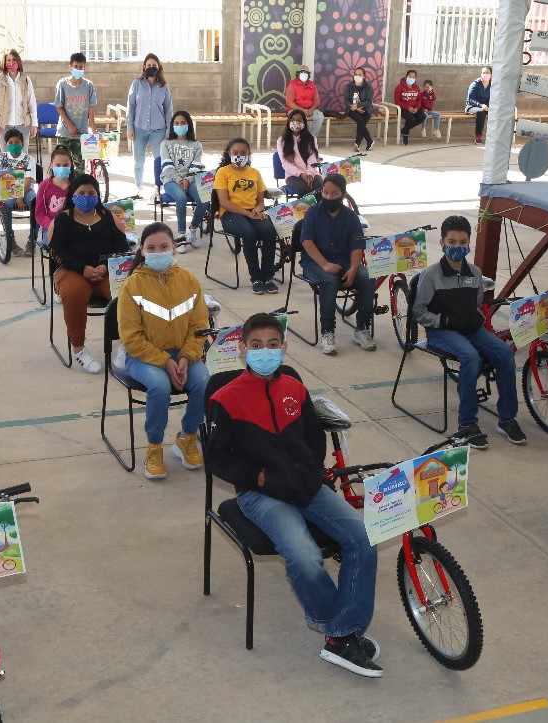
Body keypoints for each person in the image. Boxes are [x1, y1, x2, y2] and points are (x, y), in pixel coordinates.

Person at [205, 312, 382, 678]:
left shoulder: (295, 389)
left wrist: (311, 472)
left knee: (364, 538)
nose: (265, 351)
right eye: (256, 345)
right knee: (304, 556)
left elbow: (314, 438)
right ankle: (340, 634)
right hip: (260, 494)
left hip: (307, 486)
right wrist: (258, 476)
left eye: (273, 345)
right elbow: (217, 459)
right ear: (243, 351)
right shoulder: (226, 398)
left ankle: (340, 632)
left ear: (283, 348)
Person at [413, 215, 526, 448]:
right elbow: (418, 312)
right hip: (441, 332)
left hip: (471, 329)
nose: (457, 247)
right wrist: (442, 320)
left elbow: (476, 304)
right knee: (470, 357)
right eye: (452, 242)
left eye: (463, 242)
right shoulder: (431, 275)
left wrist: (476, 319)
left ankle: (507, 418)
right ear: (442, 243)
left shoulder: (474, 273)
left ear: (468, 243)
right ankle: (466, 424)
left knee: (505, 353)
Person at [118, 222, 210, 480]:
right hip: (142, 357)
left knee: (204, 381)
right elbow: (131, 338)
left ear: (174, 248)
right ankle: (154, 445)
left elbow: (199, 327)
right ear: (142, 251)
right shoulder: (132, 286)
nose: (158, 252)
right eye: (151, 248)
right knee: (159, 386)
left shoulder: (189, 281)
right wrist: (165, 362)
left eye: (163, 246)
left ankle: (187, 436)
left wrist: (185, 357)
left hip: (183, 354)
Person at [48, 173, 131, 374]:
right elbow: (56, 251)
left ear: (98, 195)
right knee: (74, 293)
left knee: (126, 292)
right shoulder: (63, 219)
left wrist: (104, 265)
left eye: (91, 193)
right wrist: (82, 269)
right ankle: (79, 349)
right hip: (72, 270)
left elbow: (122, 247)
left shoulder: (108, 217)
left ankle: (127, 344)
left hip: (107, 270)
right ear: (72, 194)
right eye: (81, 192)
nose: (86, 196)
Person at [298, 172, 374, 354]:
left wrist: (354, 268)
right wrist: (325, 264)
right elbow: (307, 242)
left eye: (334, 194)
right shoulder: (313, 212)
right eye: (325, 192)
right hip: (315, 263)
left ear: (343, 195)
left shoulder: (350, 216)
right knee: (330, 281)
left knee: (367, 277)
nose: (329, 197)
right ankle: (327, 331)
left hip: (343, 261)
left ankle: (362, 328)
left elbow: (357, 245)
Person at [214, 137, 279, 294]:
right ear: (229, 153)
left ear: (248, 154)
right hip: (230, 213)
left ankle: (268, 277)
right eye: (235, 153)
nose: (239, 156)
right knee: (248, 233)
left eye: (243, 153)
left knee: (269, 231)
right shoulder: (223, 172)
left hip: (252, 212)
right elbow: (224, 202)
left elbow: (260, 201)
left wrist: (257, 210)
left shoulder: (254, 173)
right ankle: (256, 278)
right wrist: (248, 214)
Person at [159, 110, 208, 250]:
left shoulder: (196, 145)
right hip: (170, 179)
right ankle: (181, 235)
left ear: (189, 124)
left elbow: (196, 166)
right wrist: (179, 180)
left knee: (204, 198)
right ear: (172, 126)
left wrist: (187, 179)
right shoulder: (165, 143)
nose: (179, 126)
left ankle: (192, 230)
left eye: (183, 123)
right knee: (181, 197)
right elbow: (166, 166)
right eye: (176, 123)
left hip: (191, 179)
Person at [127, 53, 173, 193]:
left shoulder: (164, 87)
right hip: (139, 129)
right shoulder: (136, 84)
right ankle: (139, 187)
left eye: (154, 65)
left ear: (158, 67)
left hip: (158, 130)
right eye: (149, 65)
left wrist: (168, 130)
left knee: (159, 160)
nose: (151, 67)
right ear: (144, 67)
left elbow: (168, 110)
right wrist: (130, 128)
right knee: (138, 161)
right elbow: (131, 107)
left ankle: (158, 187)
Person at [0, 127, 37, 255]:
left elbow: (28, 180)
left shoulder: (29, 159)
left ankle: (32, 241)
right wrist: (15, 196)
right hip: (6, 189)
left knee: (36, 203)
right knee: (5, 206)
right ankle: (11, 241)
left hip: (26, 190)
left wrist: (19, 196)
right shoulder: (0, 157)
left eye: (17, 142)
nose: (14, 145)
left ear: (22, 144)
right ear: (5, 144)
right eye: (10, 142)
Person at [54, 52, 97, 176]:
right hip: (65, 133)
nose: (78, 69)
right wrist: (70, 125)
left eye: (81, 67)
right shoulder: (62, 84)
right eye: (76, 66)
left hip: (81, 134)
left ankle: (77, 188)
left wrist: (94, 130)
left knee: (79, 169)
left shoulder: (89, 86)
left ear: (84, 68)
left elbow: (91, 110)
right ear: (70, 67)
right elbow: (59, 106)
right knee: (62, 167)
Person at [0, 48, 38, 146]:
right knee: (6, 154)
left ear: (18, 61)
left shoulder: (26, 79)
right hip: (4, 126)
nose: (11, 63)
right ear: (4, 62)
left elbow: (32, 103)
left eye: (14, 60)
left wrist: (34, 124)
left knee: (22, 154)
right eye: (8, 60)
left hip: (23, 125)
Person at [34, 144, 74, 250]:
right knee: (58, 245)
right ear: (51, 165)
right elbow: (39, 214)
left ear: (71, 165)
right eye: (58, 165)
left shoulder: (76, 185)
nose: (62, 168)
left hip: (72, 226)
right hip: (51, 227)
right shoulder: (44, 186)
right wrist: (52, 225)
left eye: (66, 165)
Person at [277, 109, 324, 196]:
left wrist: (309, 174)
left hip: (311, 173)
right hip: (293, 175)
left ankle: (319, 205)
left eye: (299, 120)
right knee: (304, 189)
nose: (295, 123)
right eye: (292, 120)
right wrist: (301, 174)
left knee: (319, 187)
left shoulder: (311, 138)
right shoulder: (282, 140)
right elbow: (286, 164)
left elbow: (312, 159)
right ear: (288, 122)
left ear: (304, 123)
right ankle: (305, 206)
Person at [285, 64, 324, 138]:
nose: (303, 74)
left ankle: (311, 138)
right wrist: (302, 110)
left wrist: (311, 110)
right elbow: (290, 103)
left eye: (305, 73)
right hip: (295, 109)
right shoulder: (292, 85)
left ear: (308, 75)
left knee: (320, 116)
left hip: (310, 109)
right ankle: (300, 139)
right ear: (298, 74)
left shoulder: (312, 85)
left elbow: (316, 101)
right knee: (300, 117)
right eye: (301, 72)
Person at [345, 67, 376, 153]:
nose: (357, 76)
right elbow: (346, 100)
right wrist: (354, 107)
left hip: (365, 109)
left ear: (364, 76)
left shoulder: (368, 87)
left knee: (361, 122)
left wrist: (358, 106)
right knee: (361, 121)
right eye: (356, 74)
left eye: (360, 74)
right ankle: (369, 141)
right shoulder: (349, 86)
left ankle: (357, 143)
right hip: (352, 109)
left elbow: (369, 101)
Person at [393, 69, 425, 146]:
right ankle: (406, 134)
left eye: (413, 77)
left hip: (414, 108)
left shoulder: (416, 87)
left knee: (423, 116)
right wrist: (408, 108)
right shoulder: (399, 87)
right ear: (406, 76)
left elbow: (419, 99)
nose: (411, 78)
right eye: (410, 76)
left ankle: (404, 129)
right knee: (410, 119)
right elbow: (397, 101)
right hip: (403, 109)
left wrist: (417, 108)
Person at [465, 66, 492, 145]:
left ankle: (493, 136)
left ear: (491, 75)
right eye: (484, 73)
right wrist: (481, 105)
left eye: (487, 73)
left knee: (495, 112)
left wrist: (489, 106)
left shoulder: (493, 85)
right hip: (472, 106)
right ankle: (478, 135)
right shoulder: (475, 84)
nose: (485, 74)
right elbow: (470, 99)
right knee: (481, 112)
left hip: (486, 107)